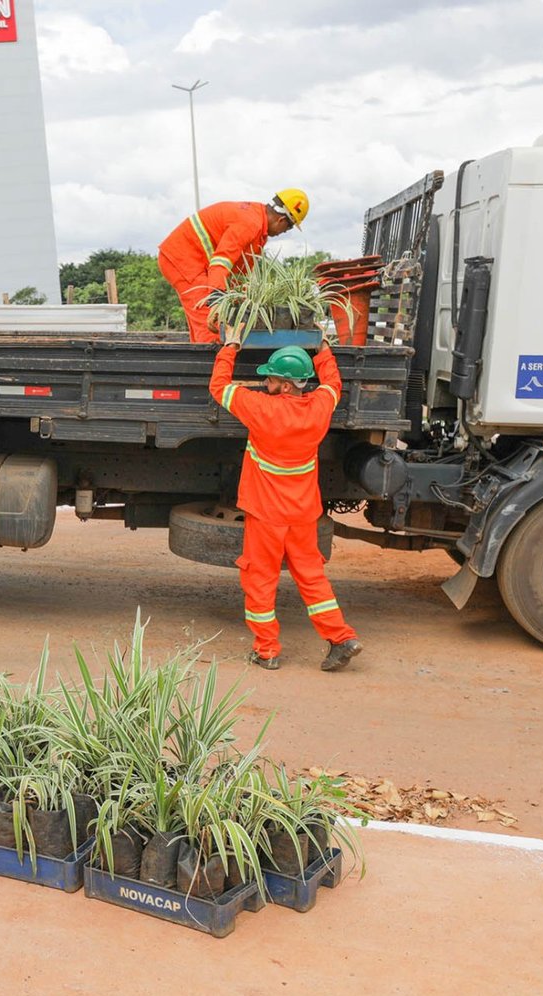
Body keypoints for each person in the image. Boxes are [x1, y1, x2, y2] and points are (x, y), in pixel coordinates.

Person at [209, 338, 363, 672]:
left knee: (260, 579)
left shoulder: (261, 408)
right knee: (311, 577)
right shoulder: (320, 407)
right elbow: (333, 384)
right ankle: (341, 638)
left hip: (266, 514)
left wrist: (230, 348)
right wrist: (323, 351)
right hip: (303, 513)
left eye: (271, 379)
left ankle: (267, 651)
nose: (265, 383)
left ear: (286, 385)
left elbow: (219, 386)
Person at [159, 190, 309, 342]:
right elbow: (221, 261)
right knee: (210, 321)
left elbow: (239, 273)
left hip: (191, 260)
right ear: (282, 220)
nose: (284, 232)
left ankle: (202, 358)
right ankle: (210, 361)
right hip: (182, 257)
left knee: (207, 321)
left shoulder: (259, 230)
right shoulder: (250, 223)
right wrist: (217, 300)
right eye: (289, 228)